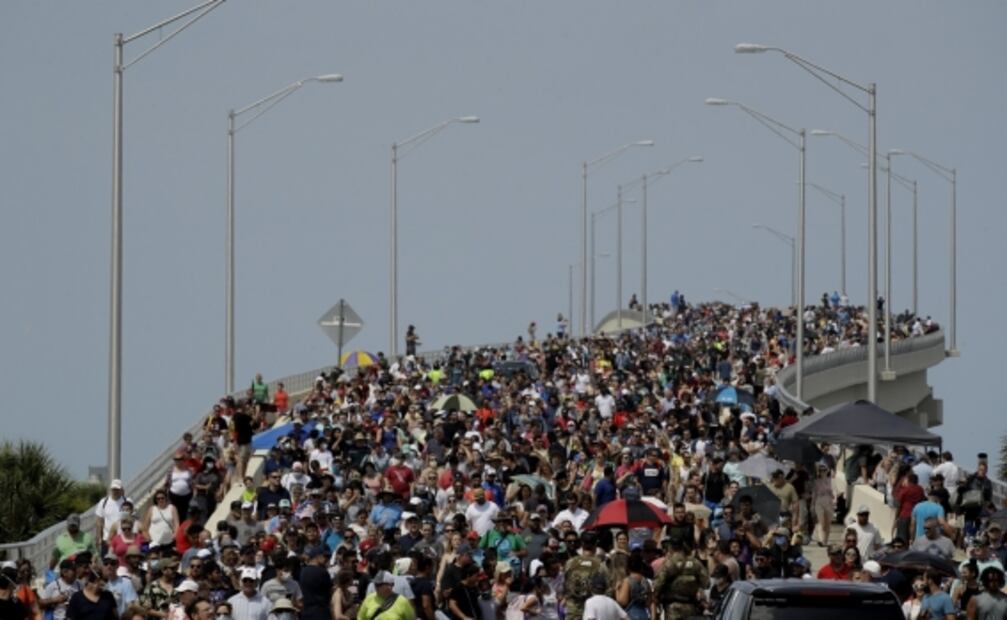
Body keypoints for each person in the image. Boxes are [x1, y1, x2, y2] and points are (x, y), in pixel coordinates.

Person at [652, 535, 708, 620]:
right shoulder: (695, 563)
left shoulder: (669, 564)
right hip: (691, 606)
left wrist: (655, 599)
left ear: (670, 547)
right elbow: (706, 583)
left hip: (672, 608)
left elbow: (657, 584)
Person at [563, 531, 609, 620]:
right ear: (596, 544)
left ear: (581, 544)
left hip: (573, 610)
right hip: (592, 611)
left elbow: (565, 583)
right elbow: (608, 590)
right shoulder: (601, 566)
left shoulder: (570, 563)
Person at [615, 553, 652, 620]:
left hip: (631, 615)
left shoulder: (627, 581)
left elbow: (623, 602)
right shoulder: (646, 581)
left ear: (628, 567)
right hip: (644, 615)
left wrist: (617, 590)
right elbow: (649, 602)